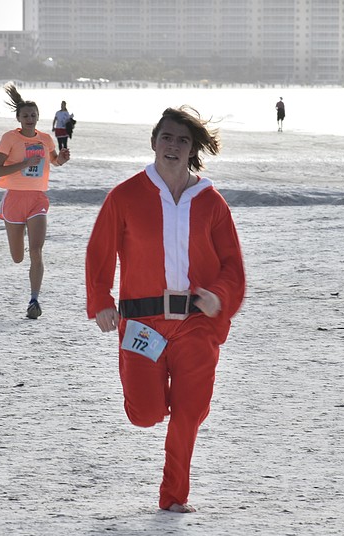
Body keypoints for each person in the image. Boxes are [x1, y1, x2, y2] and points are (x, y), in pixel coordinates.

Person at [85, 106, 246, 513]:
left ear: (192, 149)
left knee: (189, 413)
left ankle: (174, 496)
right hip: (142, 321)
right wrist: (101, 300)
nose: (173, 146)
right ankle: (155, 395)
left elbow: (233, 264)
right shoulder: (124, 196)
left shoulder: (211, 202)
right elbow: (99, 251)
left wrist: (220, 296)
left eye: (182, 140)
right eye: (166, 138)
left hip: (196, 324)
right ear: (154, 142)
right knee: (146, 413)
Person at [0, 84, 70, 319]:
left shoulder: (46, 139)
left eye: (34, 115)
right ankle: (22, 244)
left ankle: (34, 300)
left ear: (38, 118)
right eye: (26, 115)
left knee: (36, 251)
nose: (30, 119)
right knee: (18, 257)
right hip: (14, 199)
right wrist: (24, 165)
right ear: (18, 118)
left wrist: (62, 159)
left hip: (38, 198)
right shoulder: (9, 138)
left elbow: (54, 161)